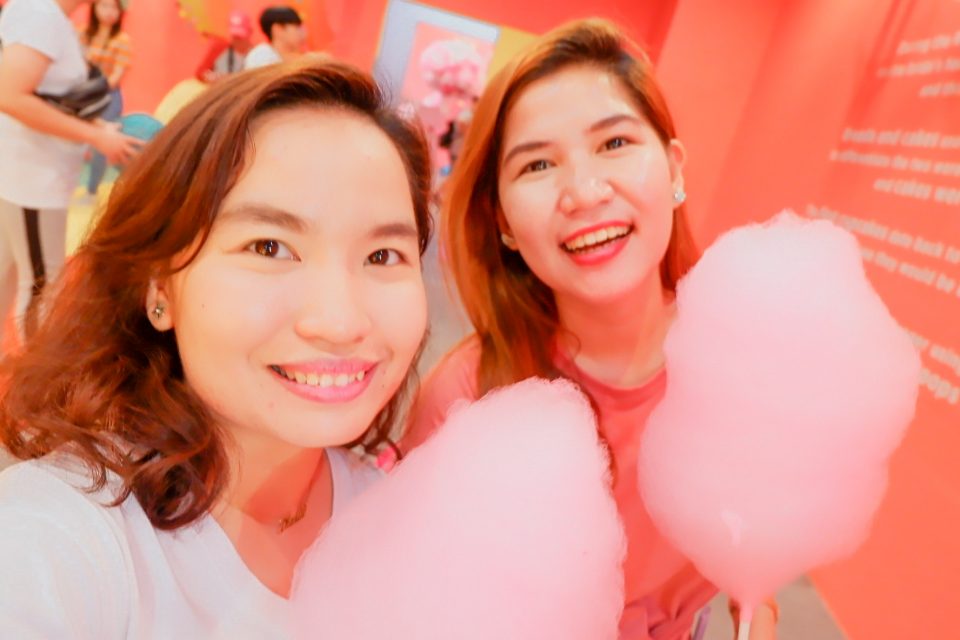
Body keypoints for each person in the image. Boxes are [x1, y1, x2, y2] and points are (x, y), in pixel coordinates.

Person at [0, 59, 431, 636]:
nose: (340, 322)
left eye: (382, 256)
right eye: (269, 247)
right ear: (160, 286)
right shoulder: (62, 535)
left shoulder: (398, 515)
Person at [400, 19, 778, 640]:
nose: (583, 191)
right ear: (503, 222)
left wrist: (758, 613)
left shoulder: (746, 356)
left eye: (614, 143)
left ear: (674, 169)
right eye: (538, 164)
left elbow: (760, 552)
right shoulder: (463, 403)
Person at [0, 0, 140, 348]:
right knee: (42, 283)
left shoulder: (45, 14)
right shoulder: (40, 14)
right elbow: (10, 96)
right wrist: (95, 136)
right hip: (33, 181)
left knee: (10, 272)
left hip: (29, 174)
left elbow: (50, 97)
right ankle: (37, 373)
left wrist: (97, 128)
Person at [79, 0, 133, 197]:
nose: (109, 12)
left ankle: (91, 190)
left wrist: (94, 88)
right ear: (94, 7)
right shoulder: (83, 34)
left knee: (102, 144)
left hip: (108, 97)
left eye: (114, 7)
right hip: (82, 94)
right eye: (104, 6)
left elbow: (116, 76)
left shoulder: (122, 39)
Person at [195, 10, 253, 83]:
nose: (237, 40)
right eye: (234, 36)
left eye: (240, 36)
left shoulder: (255, 53)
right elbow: (200, 73)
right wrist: (213, 77)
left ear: (250, 31)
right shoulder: (220, 47)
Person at [244, 6, 305, 70]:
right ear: (277, 29)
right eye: (297, 27)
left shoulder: (298, 56)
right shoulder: (260, 57)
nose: (303, 32)